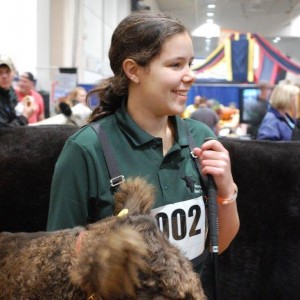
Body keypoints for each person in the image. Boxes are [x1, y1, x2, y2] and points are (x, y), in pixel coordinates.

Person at [47, 11, 239, 271]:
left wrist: (226, 190)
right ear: (133, 70)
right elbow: (59, 263)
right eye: (175, 65)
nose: (190, 75)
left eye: (190, 64)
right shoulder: (85, 150)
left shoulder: (202, 138)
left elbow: (219, 244)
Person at [0, 54, 34, 127]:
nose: (4, 76)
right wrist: (25, 116)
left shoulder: (11, 92)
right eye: (0, 72)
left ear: (13, 73)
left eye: (7, 71)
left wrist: (22, 109)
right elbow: (4, 133)